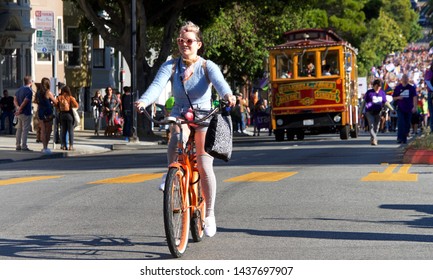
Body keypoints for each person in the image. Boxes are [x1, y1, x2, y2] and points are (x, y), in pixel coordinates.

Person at [135, 21, 236, 237]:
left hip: (203, 115)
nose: (184, 44)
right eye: (181, 40)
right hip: (180, 112)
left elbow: (220, 84)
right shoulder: (170, 66)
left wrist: (228, 96)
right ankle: (172, 172)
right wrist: (143, 101)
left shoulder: (207, 66)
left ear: (198, 44)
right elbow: (156, 87)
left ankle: (209, 214)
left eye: (189, 41)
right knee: (177, 136)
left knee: (203, 162)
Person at [360, 79, 393, 146]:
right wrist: (360, 112)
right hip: (369, 112)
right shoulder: (369, 92)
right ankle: (375, 138)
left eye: (380, 87)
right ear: (374, 86)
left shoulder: (382, 93)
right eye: (377, 86)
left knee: (377, 127)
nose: (378, 88)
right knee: (371, 126)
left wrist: (392, 109)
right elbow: (363, 103)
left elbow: (385, 102)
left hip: (378, 112)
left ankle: (373, 138)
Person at [392, 74, 418, 144]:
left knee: (407, 124)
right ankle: (400, 138)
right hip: (400, 108)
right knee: (401, 123)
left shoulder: (411, 88)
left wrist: (415, 107)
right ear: (401, 79)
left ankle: (405, 137)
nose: (405, 79)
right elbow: (393, 97)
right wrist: (398, 98)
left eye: (406, 78)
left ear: (408, 79)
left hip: (409, 108)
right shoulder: (398, 88)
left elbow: (415, 97)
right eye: (404, 78)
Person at [36, 77, 57, 154]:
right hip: (48, 113)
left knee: (43, 130)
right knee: (48, 131)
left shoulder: (38, 92)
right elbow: (56, 102)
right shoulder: (48, 92)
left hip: (41, 112)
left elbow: (37, 101)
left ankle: (44, 147)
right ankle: (46, 147)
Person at [14, 76, 33, 151]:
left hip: (19, 113)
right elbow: (25, 101)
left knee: (19, 129)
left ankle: (18, 145)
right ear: (30, 82)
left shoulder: (19, 89)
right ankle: (24, 146)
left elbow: (14, 99)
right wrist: (20, 109)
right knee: (25, 130)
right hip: (26, 112)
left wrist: (17, 108)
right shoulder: (29, 91)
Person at [56, 86, 79, 150]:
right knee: (70, 131)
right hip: (69, 115)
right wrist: (71, 106)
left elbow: (55, 103)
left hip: (62, 115)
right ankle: (71, 146)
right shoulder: (70, 97)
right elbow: (76, 105)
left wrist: (58, 108)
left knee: (63, 130)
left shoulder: (59, 97)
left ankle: (64, 145)